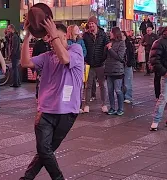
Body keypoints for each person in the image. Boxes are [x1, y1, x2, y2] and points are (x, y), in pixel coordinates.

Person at [19, 20, 84, 179]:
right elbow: (25, 63)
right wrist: (27, 36)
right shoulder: (47, 56)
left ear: (65, 36)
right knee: (44, 150)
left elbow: (65, 59)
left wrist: (53, 34)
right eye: (50, 37)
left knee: (46, 151)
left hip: (67, 112)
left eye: (55, 36)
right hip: (45, 111)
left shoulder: (75, 49)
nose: (51, 40)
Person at [83, 16, 109, 113]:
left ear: (96, 24)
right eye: (89, 24)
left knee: (102, 85)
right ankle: (87, 105)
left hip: (100, 64)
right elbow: (83, 48)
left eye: (92, 24)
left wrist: (104, 58)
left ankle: (104, 104)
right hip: (89, 64)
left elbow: (107, 45)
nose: (91, 26)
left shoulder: (103, 34)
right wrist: (85, 59)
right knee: (88, 86)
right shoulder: (85, 35)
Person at [104, 27, 126, 115]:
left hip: (117, 70)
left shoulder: (121, 43)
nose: (110, 34)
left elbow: (119, 57)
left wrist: (110, 49)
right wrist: (106, 48)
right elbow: (105, 55)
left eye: (111, 32)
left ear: (115, 33)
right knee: (110, 90)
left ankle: (120, 108)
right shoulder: (110, 42)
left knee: (117, 90)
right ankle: (112, 108)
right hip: (109, 69)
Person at [32, 35, 51, 101]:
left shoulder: (50, 43)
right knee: (39, 81)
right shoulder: (38, 44)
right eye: (44, 35)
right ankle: (38, 96)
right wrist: (34, 69)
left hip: (50, 66)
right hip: (40, 66)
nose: (45, 37)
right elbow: (34, 55)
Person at [122, 31, 136, 104]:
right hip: (120, 65)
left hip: (127, 64)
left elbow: (132, 54)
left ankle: (128, 97)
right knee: (121, 82)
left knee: (128, 81)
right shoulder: (118, 44)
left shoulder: (128, 44)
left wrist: (131, 63)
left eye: (123, 36)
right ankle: (123, 96)